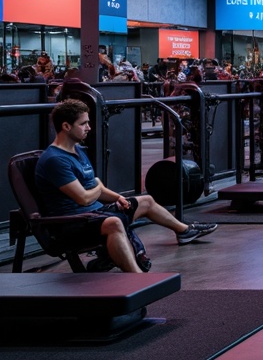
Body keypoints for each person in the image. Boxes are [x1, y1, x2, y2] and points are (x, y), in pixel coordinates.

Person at [34, 99, 217, 272]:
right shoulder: (55, 160)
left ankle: (184, 231)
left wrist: (118, 198)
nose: (89, 127)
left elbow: (97, 190)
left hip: (96, 214)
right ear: (66, 126)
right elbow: (83, 198)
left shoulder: (77, 150)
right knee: (114, 222)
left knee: (145, 201)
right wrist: (97, 186)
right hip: (74, 223)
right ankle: (135, 278)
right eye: (83, 124)